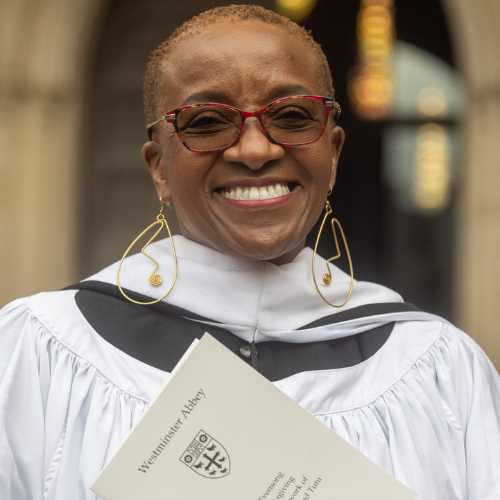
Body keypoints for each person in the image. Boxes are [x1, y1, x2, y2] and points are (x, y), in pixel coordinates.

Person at [0, 4, 498, 500]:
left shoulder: (437, 370)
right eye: (206, 121)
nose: (255, 150)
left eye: (292, 116)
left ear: (333, 153)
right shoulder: (42, 353)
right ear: (158, 168)